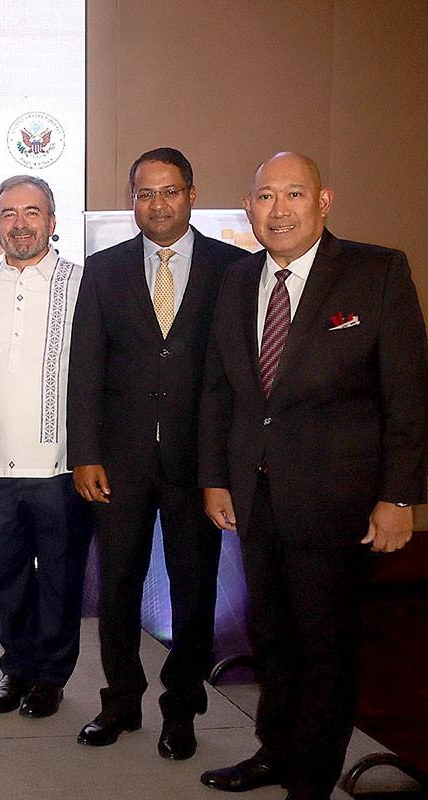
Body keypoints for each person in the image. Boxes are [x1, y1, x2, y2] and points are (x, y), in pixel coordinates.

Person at [198, 152, 428, 800]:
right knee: (271, 635)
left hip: (338, 500)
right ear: (249, 208)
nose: (278, 209)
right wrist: (215, 476)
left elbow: (407, 395)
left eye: (293, 194)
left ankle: (313, 778)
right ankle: (276, 751)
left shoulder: (376, 271)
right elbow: (220, 390)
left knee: (326, 645)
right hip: (256, 495)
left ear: (323, 201)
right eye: (265, 197)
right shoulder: (237, 281)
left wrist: (398, 496)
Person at [67, 148, 249, 757]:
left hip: (200, 465)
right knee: (116, 585)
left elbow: (239, 375)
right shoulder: (104, 269)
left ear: (192, 195)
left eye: (169, 192)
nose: (157, 204)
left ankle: (182, 709)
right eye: (145, 194)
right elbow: (85, 367)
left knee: (192, 588)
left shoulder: (235, 268)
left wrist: (225, 463)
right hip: (117, 462)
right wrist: (84, 452)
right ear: (132, 199)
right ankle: (120, 702)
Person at [0, 175, 92, 719]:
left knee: (60, 579)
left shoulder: (83, 285)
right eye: (8, 213)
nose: (19, 223)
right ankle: (16, 669)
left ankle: (51, 677)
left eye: (31, 212)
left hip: (60, 467)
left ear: (52, 223)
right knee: (5, 578)